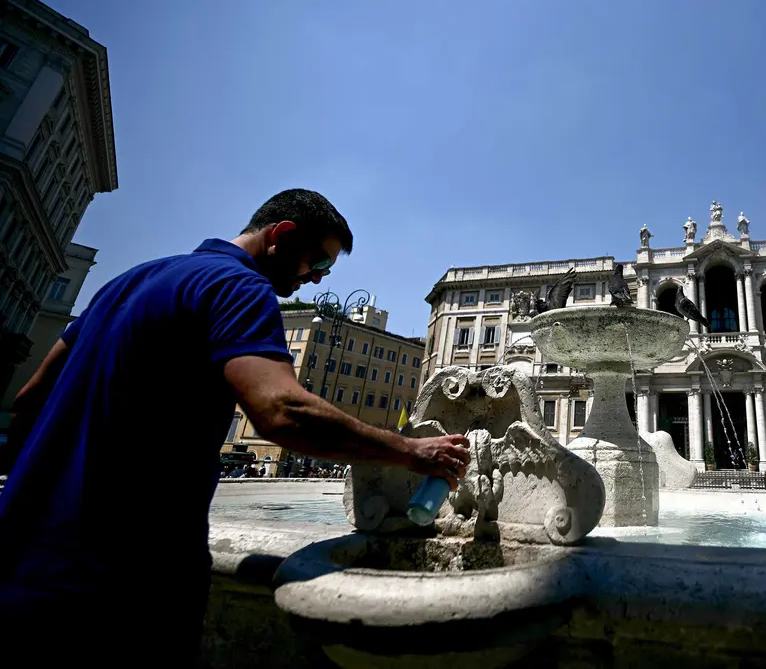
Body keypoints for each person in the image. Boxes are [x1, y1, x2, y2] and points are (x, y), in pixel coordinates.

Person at [0, 189, 470, 662]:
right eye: (318, 262)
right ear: (281, 236)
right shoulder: (238, 288)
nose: (315, 278)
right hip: (120, 585)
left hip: (20, 561)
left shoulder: (126, 282)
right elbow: (282, 411)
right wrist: (410, 451)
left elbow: (27, 401)